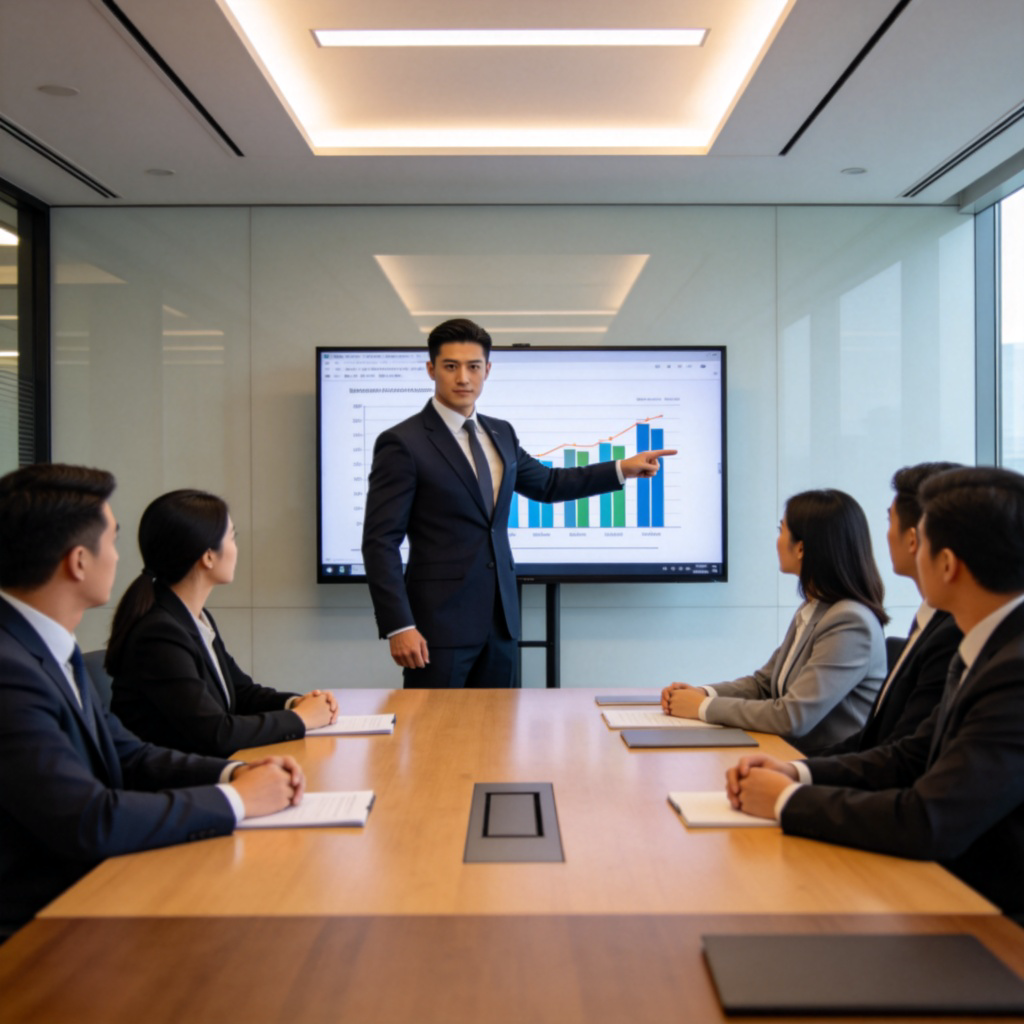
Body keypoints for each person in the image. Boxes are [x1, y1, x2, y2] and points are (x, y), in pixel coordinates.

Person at [0, 464, 304, 940]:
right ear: (79, 562)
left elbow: (130, 754)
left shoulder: (48, 648)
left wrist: (234, 773)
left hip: (91, 890)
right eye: (112, 542)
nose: (120, 559)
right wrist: (236, 800)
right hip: (42, 926)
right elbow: (89, 819)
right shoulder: (10, 671)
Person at [725, 466, 1024, 919]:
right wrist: (796, 773)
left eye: (918, 539)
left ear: (946, 564)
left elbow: (930, 819)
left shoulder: (1013, 671)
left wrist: (787, 801)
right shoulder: (984, 647)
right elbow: (910, 755)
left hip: (985, 921)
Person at [361, 318, 675, 689]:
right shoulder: (403, 442)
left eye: (473, 366)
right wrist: (400, 624)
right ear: (431, 369)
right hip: (437, 629)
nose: (463, 377)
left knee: (499, 736)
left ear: (487, 370)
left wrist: (621, 469)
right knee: (433, 738)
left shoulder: (501, 432)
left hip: (501, 623)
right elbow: (380, 542)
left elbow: (548, 484)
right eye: (450, 366)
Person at [108, 489, 338, 757]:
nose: (236, 548)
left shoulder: (193, 617)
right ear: (208, 556)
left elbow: (241, 693)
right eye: (232, 537)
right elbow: (217, 733)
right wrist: (301, 719)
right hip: (175, 787)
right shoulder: (159, 633)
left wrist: (295, 703)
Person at [661, 489, 887, 755]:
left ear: (801, 548)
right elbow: (764, 685)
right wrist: (703, 693)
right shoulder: (815, 609)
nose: (777, 541)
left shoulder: (849, 622)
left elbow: (792, 716)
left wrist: (701, 708)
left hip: (823, 771)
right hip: (788, 757)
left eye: (781, 530)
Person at [819, 462, 962, 755]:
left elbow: (904, 755)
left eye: (889, 520)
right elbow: (873, 740)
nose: (885, 535)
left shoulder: (953, 633)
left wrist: (797, 777)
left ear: (912, 539)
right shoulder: (929, 618)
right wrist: (798, 769)